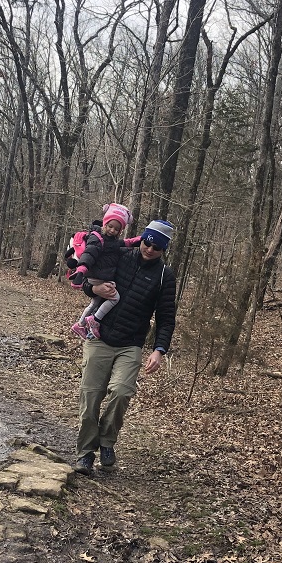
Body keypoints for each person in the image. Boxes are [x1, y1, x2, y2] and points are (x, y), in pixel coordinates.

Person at [74, 218, 176, 475]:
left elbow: (166, 317)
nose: (149, 249)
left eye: (156, 247)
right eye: (147, 242)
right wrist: (92, 286)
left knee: (120, 393)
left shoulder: (165, 276)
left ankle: (107, 442)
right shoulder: (120, 255)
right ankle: (86, 453)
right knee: (90, 396)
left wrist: (159, 350)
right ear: (141, 239)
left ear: (163, 250)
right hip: (99, 336)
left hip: (131, 343)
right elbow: (90, 279)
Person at [69, 203, 141, 340]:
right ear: (105, 224)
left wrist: (140, 240)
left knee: (94, 303)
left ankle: (80, 324)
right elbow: (89, 255)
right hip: (98, 277)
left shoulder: (112, 241)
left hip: (99, 277)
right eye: (110, 226)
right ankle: (95, 319)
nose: (112, 230)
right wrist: (81, 271)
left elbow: (126, 243)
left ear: (120, 231)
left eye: (116, 229)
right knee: (115, 298)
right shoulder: (97, 239)